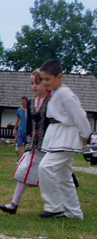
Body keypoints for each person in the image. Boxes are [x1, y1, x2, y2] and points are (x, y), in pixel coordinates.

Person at [37, 59, 91, 220]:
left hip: (66, 137)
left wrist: (84, 135)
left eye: (48, 79)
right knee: (63, 177)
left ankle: (54, 205)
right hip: (57, 135)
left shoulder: (65, 94)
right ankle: (74, 213)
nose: (45, 83)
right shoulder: (56, 93)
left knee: (46, 167)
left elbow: (80, 116)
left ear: (59, 76)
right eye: (43, 79)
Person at [0, 71, 50, 214]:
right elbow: (28, 123)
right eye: (32, 83)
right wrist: (27, 137)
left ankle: (58, 206)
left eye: (37, 83)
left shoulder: (51, 101)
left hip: (49, 145)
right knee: (24, 170)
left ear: (46, 83)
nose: (34, 86)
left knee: (55, 176)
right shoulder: (31, 102)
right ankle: (14, 204)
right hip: (34, 144)